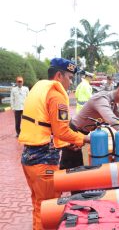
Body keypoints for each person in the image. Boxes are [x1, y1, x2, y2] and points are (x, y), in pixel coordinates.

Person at [19, 58, 90, 230]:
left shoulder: (40, 88)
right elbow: (62, 131)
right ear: (59, 75)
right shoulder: (56, 94)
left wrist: (66, 145)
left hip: (30, 159)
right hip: (43, 162)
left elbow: (47, 128)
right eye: (70, 77)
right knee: (49, 208)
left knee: (39, 205)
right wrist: (85, 139)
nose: (71, 82)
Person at [60, 76, 119, 170]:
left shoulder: (112, 102)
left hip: (83, 133)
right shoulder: (101, 99)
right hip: (74, 132)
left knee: (79, 169)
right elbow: (113, 121)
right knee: (69, 169)